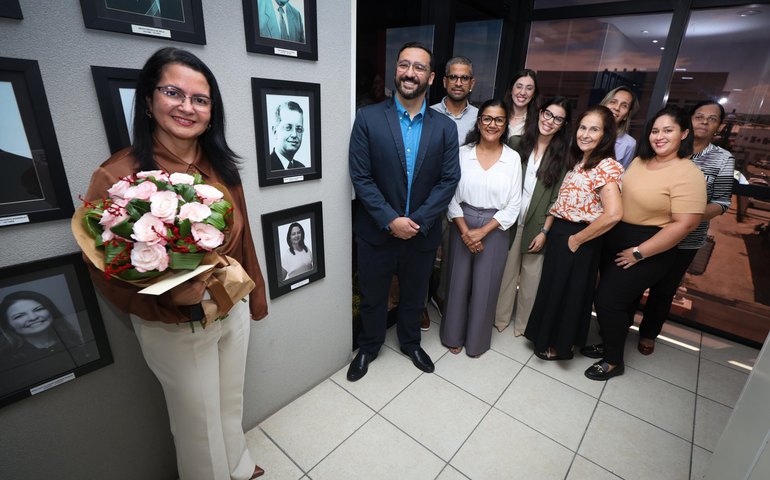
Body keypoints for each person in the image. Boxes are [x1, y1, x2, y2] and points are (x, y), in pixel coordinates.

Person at [83, 47, 268, 480]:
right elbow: (103, 267)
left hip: (229, 305)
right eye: (173, 93)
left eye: (200, 99)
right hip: (172, 322)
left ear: (211, 111)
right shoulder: (119, 175)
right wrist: (175, 298)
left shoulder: (222, 164)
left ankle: (238, 467)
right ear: (148, 101)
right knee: (196, 425)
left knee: (229, 401)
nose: (187, 107)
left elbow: (244, 244)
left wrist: (254, 296)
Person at [347, 41, 460, 381]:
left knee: (414, 296)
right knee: (372, 296)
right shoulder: (368, 117)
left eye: (419, 67)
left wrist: (419, 221)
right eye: (404, 65)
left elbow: (449, 179)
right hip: (376, 231)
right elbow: (361, 176)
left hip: (421, 234)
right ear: (396, 69)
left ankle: (411, 342)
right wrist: (390, 220)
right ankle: (368, 347)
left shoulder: (445, 127)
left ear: (432, 76)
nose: (410, 73)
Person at [585, 106, 706, 381]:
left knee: (607, 300)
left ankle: (614, 361)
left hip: (647, 247)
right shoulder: (641, 161)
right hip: (616, 239)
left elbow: (684, 224)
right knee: (622, 304)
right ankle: (610, 345)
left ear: (684, 133)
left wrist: (640, 252)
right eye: (655, 131)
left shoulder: (688, 173)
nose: (659, 137)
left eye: (668, 130)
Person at [524, 105, 623, 360]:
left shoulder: (606, 166)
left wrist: (576, 240)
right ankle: (545, 336)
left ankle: (561, 345)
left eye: (594, 129)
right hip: (562, 233)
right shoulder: (580, 161)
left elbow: (613, 214)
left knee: (569, 294)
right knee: (555, 289)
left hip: (580, 237)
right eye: (582, 127)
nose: (585, 134)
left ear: (606, 135)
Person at [634, 101, 733, 354]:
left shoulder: (723, 159)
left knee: (664, 289)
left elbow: (721, 203)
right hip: (649, 231)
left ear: (719, 126)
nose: (704, 121)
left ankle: (648, 335)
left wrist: (685, 214)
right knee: (633, 283)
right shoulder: (668, 150)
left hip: (687, 238)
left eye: (712, 119)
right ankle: (619, 326)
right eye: (699, 116)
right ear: (687, 123)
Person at [441, 99, 521, 357]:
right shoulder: (462, 153)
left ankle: (476, 342)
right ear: (478, 121)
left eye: (498, 119)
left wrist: (482, 231)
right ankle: (453, 335)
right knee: (457, 282)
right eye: (487, 118)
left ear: (505, 124)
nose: (492, 124)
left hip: (495, 228)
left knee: (485, 287)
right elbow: (450, 193)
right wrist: (465, 231)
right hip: (460, 221)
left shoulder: (513, 158)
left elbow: (514, 204)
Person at [494, 97, 572, 335]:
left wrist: (545, 232)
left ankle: (524, 325)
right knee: (506, 274)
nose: (550, 121)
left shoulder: (563, 157)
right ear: (539, 113)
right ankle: (500, 319)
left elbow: (555, 200)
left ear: (563, 124)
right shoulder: (517, 143)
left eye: (558, 118)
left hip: (538, 225)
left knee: (531, 278)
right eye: (548, 114)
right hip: (509, 219)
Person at [426, 55, 478, 328]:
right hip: (431, 197)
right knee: (423, 253)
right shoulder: (428, 113)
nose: (458, 82)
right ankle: (420, 301)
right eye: (453, 77)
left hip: (463, 201)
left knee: (452, 255)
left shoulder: (481, 119)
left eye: (464, 78)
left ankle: (442, 296)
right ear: (444, 80)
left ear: (472, 83)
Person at [0, 291, 87, 396]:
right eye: (19, 316)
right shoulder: (7, 364)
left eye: (38, 309)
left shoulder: (74, 342)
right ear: (9, 325)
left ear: (51, 312)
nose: (33, 317)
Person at [600, 86, 639, 168]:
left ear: (627, 115)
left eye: (624, 106)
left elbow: (621, 175)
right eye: (613, 102)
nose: (617, 108)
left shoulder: (629, 144)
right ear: (604, 105)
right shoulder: (586, 130)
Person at [270, 101, 306, 170]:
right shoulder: (267, 167)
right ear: (275, 131)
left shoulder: (301, 168)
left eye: (299, 129)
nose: (294, 135)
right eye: (288, 128)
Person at [504, 69, 539, 138]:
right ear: (511, 89)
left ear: (534, 93)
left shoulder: (538, 121)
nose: (523, 92)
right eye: (519, 87)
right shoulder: (498, 114)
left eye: (529, 88)